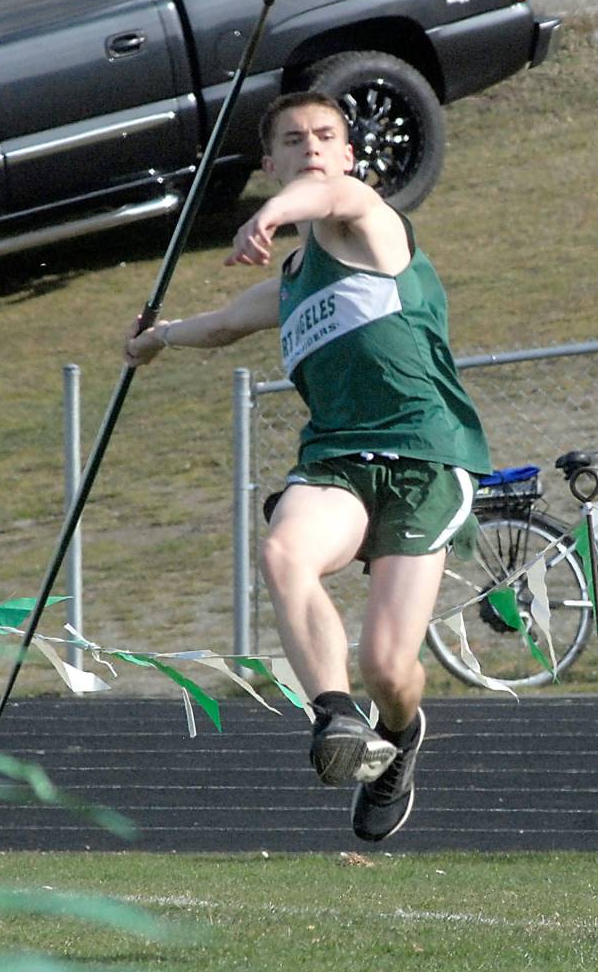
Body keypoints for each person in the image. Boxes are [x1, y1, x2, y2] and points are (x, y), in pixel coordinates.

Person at [124, 91, 491, 843]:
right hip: (337, 459)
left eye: (328, 136)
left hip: (426, 455)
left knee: (390, 666)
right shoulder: (289, 283)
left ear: (350, 154)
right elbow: (224, 324)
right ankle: (336, 716)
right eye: (295, 140)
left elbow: (325, 195)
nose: (314, 147)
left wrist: (268, 215)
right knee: (284, 549)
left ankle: (399, 738)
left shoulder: (367, 222)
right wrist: (155, 339)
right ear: (271, 162)